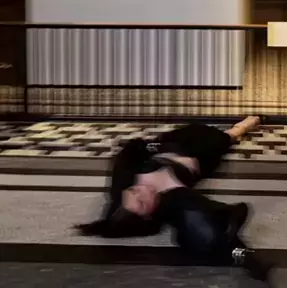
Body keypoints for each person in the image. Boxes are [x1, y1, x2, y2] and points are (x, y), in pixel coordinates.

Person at [75, 116, 272, 282]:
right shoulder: (172, 203)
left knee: (203, 130)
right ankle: (244, 125)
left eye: (133, 191)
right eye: (141, 202)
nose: (140, 192)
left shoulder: (125, 180)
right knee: (226, 138)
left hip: (173, 142)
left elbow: (131, 148)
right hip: (203, 154)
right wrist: (243, 256)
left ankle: (242, 126)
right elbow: (200, 227)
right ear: (148, 214)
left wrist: (157, 148)